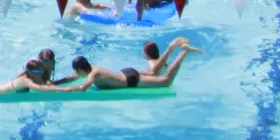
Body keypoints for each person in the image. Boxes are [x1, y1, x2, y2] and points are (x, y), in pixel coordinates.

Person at [58, 40, 199, 91]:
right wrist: (55, 83)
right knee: (154, 73)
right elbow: (72, 77)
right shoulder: (91, 67)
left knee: (166, 81)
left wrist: (65, 90)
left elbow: (83, 88)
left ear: (81, 69)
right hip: (126, 72)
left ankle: (183, 52)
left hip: (130, 80)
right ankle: (171, 49)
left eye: (76, 70)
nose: (75, 73)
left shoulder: (93, 74)